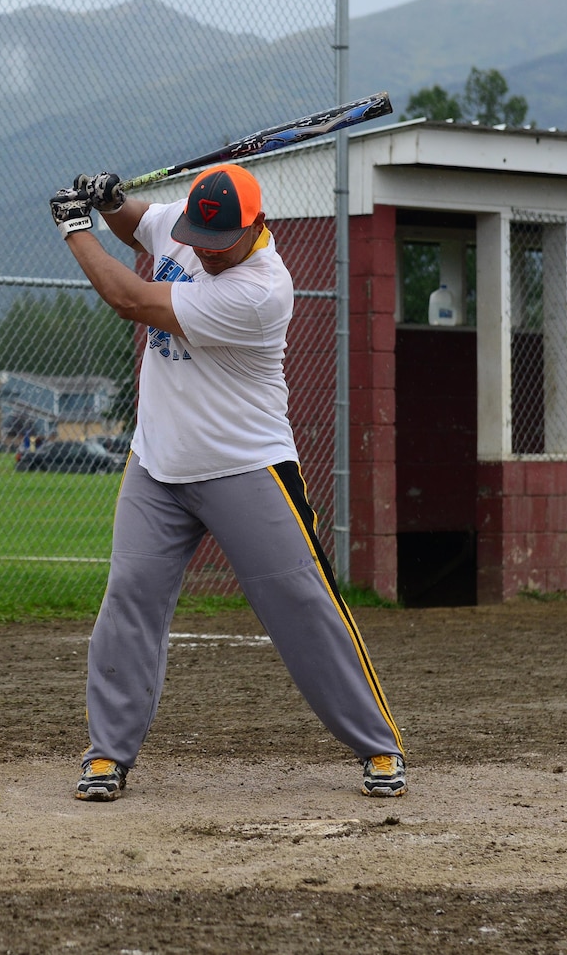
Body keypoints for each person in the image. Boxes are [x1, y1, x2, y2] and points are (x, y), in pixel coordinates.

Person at [51, 164, 405, 802]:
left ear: (257, 227)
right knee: (129, 597)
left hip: (247, 465)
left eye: (222, 245)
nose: (208, 254)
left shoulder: (262, 290)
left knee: (302, 605)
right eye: (200, 240)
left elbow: (132, 300)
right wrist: (110, 203)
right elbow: (143, 225)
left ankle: (377, 745)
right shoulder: (192, 233)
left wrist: (77, 231)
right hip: (158, 463)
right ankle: (107, 754)